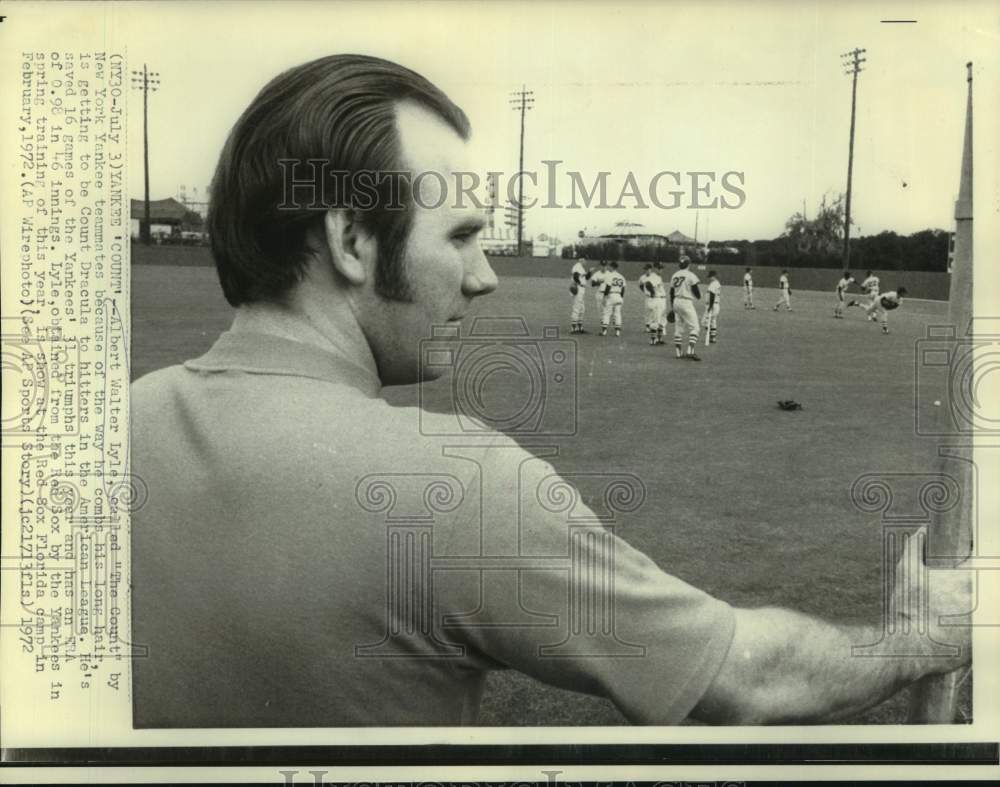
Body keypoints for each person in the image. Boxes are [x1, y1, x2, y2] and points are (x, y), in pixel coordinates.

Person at [131, 54, 969, 728]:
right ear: (351, 239)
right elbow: (743, 679)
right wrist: (915, 639)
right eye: (460, 235)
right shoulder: (462, 487)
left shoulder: (109, 431)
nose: (485, 276)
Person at [669, 257, 701, 360]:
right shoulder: (690, 275)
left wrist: (672, 307)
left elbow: (671, 292)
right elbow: (696, 290)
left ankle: (678, 353)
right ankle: (690, 352)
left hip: (676, 301)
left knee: (678, 329)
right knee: (695, 328)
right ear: (689, 264)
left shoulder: (674, 275)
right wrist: (698, 296)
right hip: (686, 302)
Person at [601, 260, 626, 336]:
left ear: (612, 267)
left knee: (607, 313)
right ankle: (617, 332)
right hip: (618, 296)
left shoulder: (610, 275)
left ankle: (604, 331)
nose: (609, 268)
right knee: (617, 313)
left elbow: (608, 287)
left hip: (611, 295)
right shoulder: (621, 276)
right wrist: (621, 297)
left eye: (610, 266)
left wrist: (605, 297)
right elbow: (623, 289)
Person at [569, 257, 591, 333]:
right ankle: (573, 328)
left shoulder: (581, 268)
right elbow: (575, 276)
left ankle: (580, 328)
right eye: (585, 260)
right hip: (578, 289)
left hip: (581, 289)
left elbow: (586, 278)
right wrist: (579, 284)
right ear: (582, 260)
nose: (586, 261)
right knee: (577, 308)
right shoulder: (577, 266)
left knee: (582, 309)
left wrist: (589, 272)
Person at [638, 263, 656, 343]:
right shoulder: (642, 277)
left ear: (650, 269)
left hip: (654, 297)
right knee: (647, 312)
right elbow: (640, 285)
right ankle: (647, 327)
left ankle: (653, 327)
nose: (646, 270)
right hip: (647, 297)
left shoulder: (654, 277)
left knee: (654, 312)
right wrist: (644, 291)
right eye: (645, 269)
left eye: (648, 269)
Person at [703, 270, 721, 344]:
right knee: (713, 321)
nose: (710, 278)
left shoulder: (713, 284)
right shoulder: (717, 283)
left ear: (714, 276)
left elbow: (712, 295)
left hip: (712, 305)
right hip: (716, 305)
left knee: (705, 322)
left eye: (711, 277)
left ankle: (710, 335)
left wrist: (710, 306)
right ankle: (713, 337)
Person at [590, 260, 609, 329]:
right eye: (602, 265)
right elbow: (592, 284)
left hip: (608, 294)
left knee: (607, 310)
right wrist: (599, 282)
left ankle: (605, 326)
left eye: (605, 266)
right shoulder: (597, 274)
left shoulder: (609, 274)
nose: (603, 267)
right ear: (600, 266)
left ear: (607, 266)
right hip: (599, 294)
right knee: (600, 311)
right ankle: (603, 326)